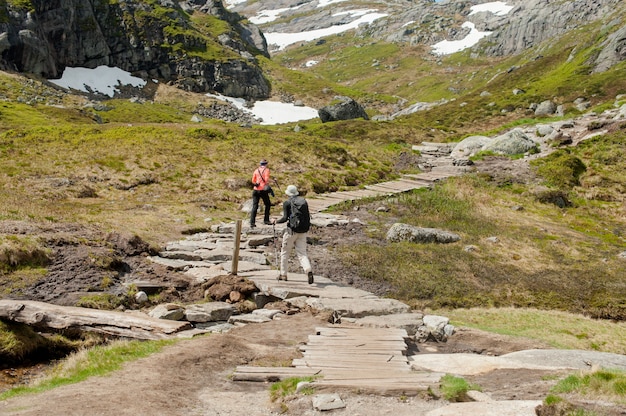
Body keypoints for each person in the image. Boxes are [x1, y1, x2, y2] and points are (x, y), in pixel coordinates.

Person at [273, 185, 314, 284]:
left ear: (288, 193)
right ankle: (308, 269)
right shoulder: (303, 201)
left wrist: (275, 221)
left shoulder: (287, 203)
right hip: (303, 231)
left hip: (291, 231)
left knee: (285, 252)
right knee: (302, 253)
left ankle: (283, 274)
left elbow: (284, 218)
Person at [250, 159, 272, 228]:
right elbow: (266, 180)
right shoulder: (266, 170)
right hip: (263, 189)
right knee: (268, 204)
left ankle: (252, 222)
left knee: (255, 206)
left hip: (256, 190)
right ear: (266, 164)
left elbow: (253, 180)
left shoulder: (256, 170)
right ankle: (266, 220)